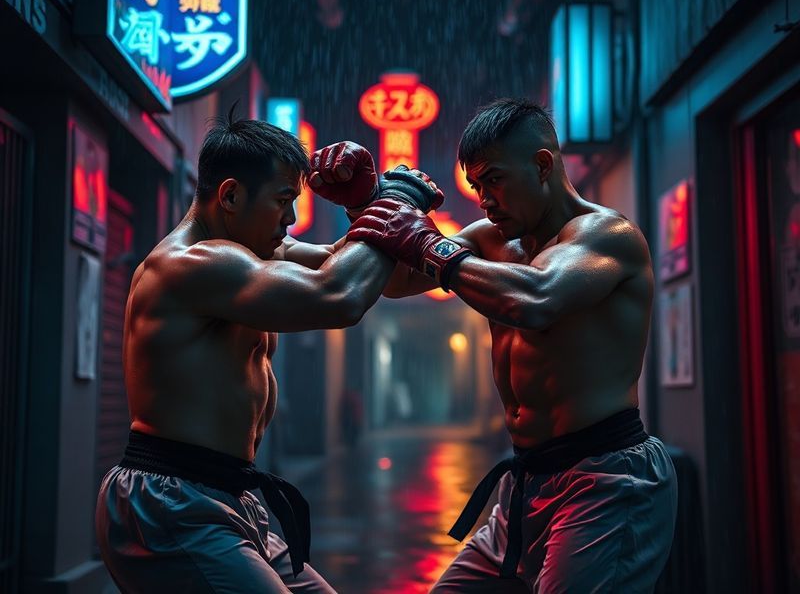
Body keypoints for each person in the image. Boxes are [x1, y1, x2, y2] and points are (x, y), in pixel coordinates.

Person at [94, 112, 442, 593]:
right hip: (172, 500)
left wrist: (367, 206)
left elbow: (393, 278)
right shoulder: (189, 265)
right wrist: (395, 203)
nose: (292, 218)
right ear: (231, 195)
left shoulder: (260, 253)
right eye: (282, 201)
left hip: (231, 494)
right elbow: (339, 297)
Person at [346, 98, 678, 592]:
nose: (484, 198)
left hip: (606, 481)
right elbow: (394, 282)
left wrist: (428, 244)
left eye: (494, 179)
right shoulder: (490, 239)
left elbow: (536, 299)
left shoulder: (607, 235)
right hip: (525, 484)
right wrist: (362, 203)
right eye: (477, 185)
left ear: (542, 165)